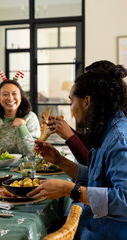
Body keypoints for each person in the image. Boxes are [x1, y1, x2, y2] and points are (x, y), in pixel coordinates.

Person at [28, 66, 127, 239]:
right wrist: (59, 159)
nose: (71, 109)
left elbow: (125, 198)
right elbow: (100, 179)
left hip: (106, 232)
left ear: (87, 102)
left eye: (71, 101)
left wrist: (71, 190)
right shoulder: (108, 131)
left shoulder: (119, 139)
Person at [43, 60, 117, 165]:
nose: (83, 85)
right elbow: (92, 145)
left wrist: (69, 136)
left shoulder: (118, 135)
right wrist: (66, 130)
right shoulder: (108, 121)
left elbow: (92, 165)